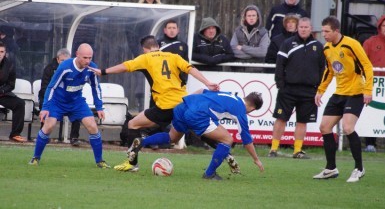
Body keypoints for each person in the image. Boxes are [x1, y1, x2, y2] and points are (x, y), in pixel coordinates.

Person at [89, 35, 227, 173]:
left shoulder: (145, 58)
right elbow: (191, 69)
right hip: (183, 104)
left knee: (133, 124)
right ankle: (225, 153)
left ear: (145, 49)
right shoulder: (174, 56)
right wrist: (207, 83)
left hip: (165, 106)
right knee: (189, 132)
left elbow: (125, 66)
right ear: (158, 46)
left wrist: (103, 71)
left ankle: (132, 163)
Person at [127, 90, 264, 180]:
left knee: (172, 138)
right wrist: (256, 159)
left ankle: (142, 141)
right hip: (198, 114)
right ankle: (209, 174)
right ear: (252, 108)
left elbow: (202, 91)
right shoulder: (241, 110)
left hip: (185, 105)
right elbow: (247, 141)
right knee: (228, 139)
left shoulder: (227, 95)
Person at [28, 43, 110, 168]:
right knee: (49, 126)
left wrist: (99, 107)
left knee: (92, 126)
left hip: (77, 102)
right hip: (58, 102)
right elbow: (51, 87)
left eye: (90, 58)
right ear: (77, 54)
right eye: (85, 58)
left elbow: (96, 87)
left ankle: (100, 161)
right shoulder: (65, 67)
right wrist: (45, 107)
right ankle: (35, 158)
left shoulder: (92, 68)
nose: (88, 61)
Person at [313, 16, 374, 183]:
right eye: (323, 30)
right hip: (339, 93)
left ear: (336, 31)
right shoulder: (326, 48)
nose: (323, 34)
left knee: (348, 127)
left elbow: (367, 66)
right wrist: (321, 91)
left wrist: (368, 90)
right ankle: (330, 169)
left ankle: (359, 169)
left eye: (327, 31)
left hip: (355, 93)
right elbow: (330, 71)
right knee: (324, 127)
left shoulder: (351, 44)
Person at [268, 17, 325, 159]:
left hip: (308, 91)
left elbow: (322, 69)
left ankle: (297, 150)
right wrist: (280, 84)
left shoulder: (318, 46)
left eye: (306, 27)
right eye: (301, 27)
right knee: (281, 118)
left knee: (302, 121)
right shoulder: (287, 44)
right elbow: (280, 65)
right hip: (288, 89)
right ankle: (273, 149)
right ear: (297, 28)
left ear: (311, 28)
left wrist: (318, 88)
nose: (304, 29)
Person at [362, 15, 385, 153]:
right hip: (374, 84)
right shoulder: (370, 42)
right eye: (384, 25)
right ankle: (370, 143)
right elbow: (362, 61)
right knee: (372, 112)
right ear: (379, 27)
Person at [39, 48, 82, 147]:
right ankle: (44, 135)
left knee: (77, 109)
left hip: (67, 98)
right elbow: (45, 87)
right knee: (46, 108)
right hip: (52, 98)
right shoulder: (49, 69)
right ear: (58, 60)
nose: (64, 63)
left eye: (67, 60)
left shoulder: (74, 69)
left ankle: (74, 137)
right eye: (62, 60)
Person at [0, 41, 26, 142]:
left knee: (20, 103)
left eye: (2, 51)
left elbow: (11, 84)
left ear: (5, 53)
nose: (0, 54)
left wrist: (2, 90)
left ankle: (15, 134)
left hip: (2, 94)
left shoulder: (9, 65)